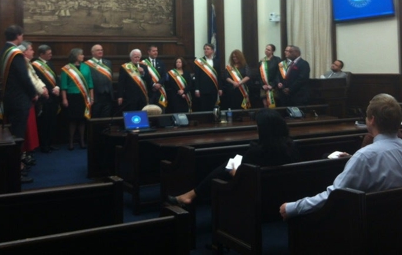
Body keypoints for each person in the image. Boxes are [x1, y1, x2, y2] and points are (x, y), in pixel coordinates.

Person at [280, 93, 402, 220]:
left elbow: (335, 195)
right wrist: (354, 158)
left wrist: (293, 208)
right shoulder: (364, 157)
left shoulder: (364, 157)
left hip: (370, 226)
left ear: (372, 120)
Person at [168, 109, 300, 205]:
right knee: (234, 159)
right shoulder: (291, 146)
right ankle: (193, 194)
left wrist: (233, 171)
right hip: (281, 193)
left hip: (256, 195)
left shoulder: (259, 152)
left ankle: (192, 194)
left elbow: (244, 177)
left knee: (228, 165)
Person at [0, 25, 37, 184]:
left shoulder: (4, 51)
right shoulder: (16, 54)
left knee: (13, 134)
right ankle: (16, 171)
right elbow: (24, 77)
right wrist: (33, 92)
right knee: (17, 136)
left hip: (9, 98)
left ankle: (16, 166)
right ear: (19, 36)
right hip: (19, 100)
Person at [18, 42, 48, 160]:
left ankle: (27, 154)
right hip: (25, 99)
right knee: (26, 129)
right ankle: (24, 156)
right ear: (24, 52)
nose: (33, 52)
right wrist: (42, 90)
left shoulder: (27, 62)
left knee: (30, 129)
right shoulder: (21, 63)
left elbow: (36, 77)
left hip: (30, 98)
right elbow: (30, 80)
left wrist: (43, 87)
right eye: (31, 49)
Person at [61, 48, 94, 151]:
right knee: (72, 120)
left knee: (82, 120)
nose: (83, 56)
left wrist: (92, 97)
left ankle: (82, 141)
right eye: (81, 55)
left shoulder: (86, 67)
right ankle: (71, 142)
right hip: (72, 97)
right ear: (76, 56)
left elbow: (90, 83)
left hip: (83, 97)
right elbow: (63, 86)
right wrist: (64, 99)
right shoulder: (66, 68)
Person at [32, 44, 60, 153]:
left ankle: (50, 143)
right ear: (41, 54)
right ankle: (44, 145)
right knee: (44, 123)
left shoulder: (50, 64)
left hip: (53, 97)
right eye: (49, 54)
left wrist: (57, 86)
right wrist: (49, 89)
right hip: (44, 98)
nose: (51, 55)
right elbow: (37, 81)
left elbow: (56, 77)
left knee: (52, 122)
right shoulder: (35, 65)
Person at [85, 44, 114, 118]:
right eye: (98, 50)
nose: (100, 51)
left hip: (107, 95)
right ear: (92, 52)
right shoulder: (87, 64)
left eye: (101, 50)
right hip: (96, 95)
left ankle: (105, 130)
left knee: (106, 116)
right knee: (96, 116)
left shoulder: (108, 63)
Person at [194, 43, 223, 112]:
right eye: (205, 49)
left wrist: (220, 88)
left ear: (212, 51)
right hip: (203, 88)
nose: (206, 50)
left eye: (208, 49)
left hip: (214, 88)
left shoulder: (217, 61)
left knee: (213, 106)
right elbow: (197, 76)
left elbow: (219, 75)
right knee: (204, 106)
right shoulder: (199, 61)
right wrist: (197, 89)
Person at [143, 44, 167, 110]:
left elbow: (164, 76)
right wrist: (153, 85)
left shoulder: (161, 63)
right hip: (149, 91)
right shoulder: (143, 63)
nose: (156, 52)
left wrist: (159, 84)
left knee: (161, 111)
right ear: (149, 52)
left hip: (160, 91)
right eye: (153, 51)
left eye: (156, 51)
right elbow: (145, 77)